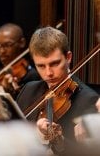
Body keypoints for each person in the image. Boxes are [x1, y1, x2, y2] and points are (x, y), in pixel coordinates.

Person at [16, 26, 99, 156]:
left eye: (55, 64)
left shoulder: (88, 99)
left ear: (68, 57)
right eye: (41, 66)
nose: (48, 73)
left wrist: (60, 141)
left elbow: (87, 152)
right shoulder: (28, 90)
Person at [0, 23, 40, 98]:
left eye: (8, 45)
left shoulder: (32, 76)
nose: (2, 51)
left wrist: (14, 94)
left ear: (22, 43)